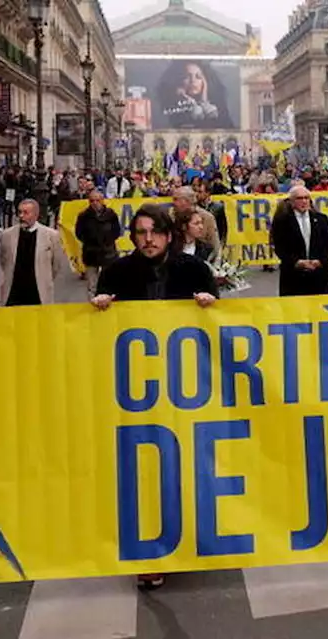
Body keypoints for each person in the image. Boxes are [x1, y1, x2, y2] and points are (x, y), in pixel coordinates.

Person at [91, 205, 216, 591]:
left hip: (185, 386)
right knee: (142, 470)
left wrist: (210, 306)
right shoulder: (116, 273)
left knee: (187, 465)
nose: (148, 239)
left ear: (167, 235)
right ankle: (150, 554)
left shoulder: (193, 271)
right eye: (141, 232)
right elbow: (96, 330)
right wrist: (100, 309)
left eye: (155, 232)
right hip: (135, 390)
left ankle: (190, 539)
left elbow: (224, 326)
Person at [0, 199, 68, 307]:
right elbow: (3, 260)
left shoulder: (51, 235)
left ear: (36, 214)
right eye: (19, 212)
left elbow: (56, 264)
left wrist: (45, 277)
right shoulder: (7, 235)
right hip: (13, 293)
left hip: (38, 293)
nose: (21, 216)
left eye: (26, 213)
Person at [270, 186, 328, 296]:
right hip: (293, 278)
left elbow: (327, 245)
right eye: (299, 198)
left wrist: (321, 261)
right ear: (292, 201)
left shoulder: (321, 219)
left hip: (318, 278)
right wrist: (296, 262)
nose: (304, 201)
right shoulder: (282, 221)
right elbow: (280, 248)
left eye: (306, 198)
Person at [74, 189, 122, 297]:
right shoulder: (83, 216)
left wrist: (107, 241)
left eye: (97, 200)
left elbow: (117, 231)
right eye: (92, 201)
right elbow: (79, 233)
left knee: (109, 281)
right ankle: (92, 303)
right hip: (91, 253)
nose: (95, 203)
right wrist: (89, 241)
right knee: (92, 285)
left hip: (108, 253)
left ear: (102, 201)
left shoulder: (111, 214)